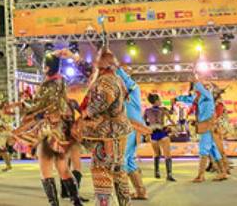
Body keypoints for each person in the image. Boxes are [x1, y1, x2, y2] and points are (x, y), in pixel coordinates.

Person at [14, 49, 82, 206]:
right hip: (61, 131)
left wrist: (22, 105)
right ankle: (76, 201)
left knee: (45, 170)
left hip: (47, 131)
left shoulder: (48, 86)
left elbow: (37, 107)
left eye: (44, 65)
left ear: (46, 67)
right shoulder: (62, 82)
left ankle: (54, 204)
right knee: (63, 168)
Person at [78, 47, 130, 206]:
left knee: (101, 170)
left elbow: (104, 100)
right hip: (116, 132)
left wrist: (87, 112)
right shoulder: (116, 78)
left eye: (97, 60)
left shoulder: (106, 80)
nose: (94, 63)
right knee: (118, 170)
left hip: (107, 133)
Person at [116, 65, 148, 200]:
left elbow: (121, 75)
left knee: (121, 159)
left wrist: (117, 68)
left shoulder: (134, 88)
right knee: (128, 160)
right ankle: (141, 191)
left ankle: (123, 193)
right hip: (129, 128)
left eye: (125, 73)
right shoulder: (121, 93)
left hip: (132, 128)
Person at [189, 76, 227, 182]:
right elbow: (191, 99)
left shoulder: (208, 95)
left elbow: (200, 89)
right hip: (208, 127)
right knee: (214, 150)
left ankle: (201, 175)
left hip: (208, 127)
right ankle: (222, 172)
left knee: (203, 149)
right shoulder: (202, 99)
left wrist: (196, 80)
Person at [143, 94, 175, 181]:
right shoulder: (163, 109)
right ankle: (169, 175)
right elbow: (171, 115)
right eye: (160, 100)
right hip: (162, 132)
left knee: (157, 154)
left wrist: (147, 132)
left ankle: (156, 172)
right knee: (167, 154)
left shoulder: (147, 111)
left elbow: (143, 122)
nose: (161, 101)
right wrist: (172, 105)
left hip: (153, 134)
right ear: (156, 101)